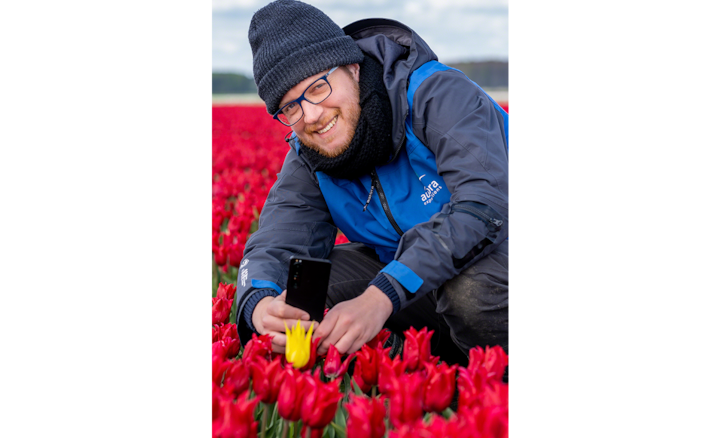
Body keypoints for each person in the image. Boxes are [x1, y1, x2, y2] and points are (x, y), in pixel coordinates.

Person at [235, 0, 510, 367]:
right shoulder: (311, 154)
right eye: (290, 107)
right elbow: (275, 242)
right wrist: (259, 304)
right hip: (422, 289)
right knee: (301, 291)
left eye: (317, 88)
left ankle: (493, 399)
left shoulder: (436, 94)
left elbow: (484, 206)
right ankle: (416, 374)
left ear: (352, 67)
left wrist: (382, 295)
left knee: (471, 289)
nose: (311, 115)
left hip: (494, 263)